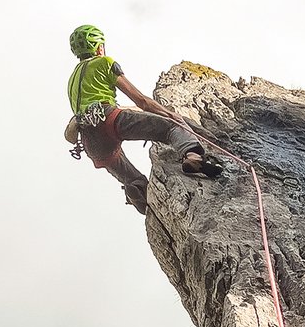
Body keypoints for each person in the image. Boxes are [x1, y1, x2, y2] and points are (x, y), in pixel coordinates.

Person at [63, 24, 222, 213]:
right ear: (99, 47)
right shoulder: (104, 62)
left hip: (91, 141)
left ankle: (144, 201)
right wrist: (170, 115)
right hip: (109, 118)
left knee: (131, 178)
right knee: (170, 127)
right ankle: (193, 157)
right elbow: (141, 101)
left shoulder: (72, 79)